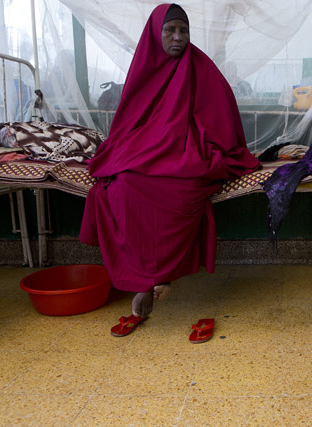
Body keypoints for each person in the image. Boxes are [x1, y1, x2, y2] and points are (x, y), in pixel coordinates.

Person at [80, 4, 260, 332]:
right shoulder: (144, 68)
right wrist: (142, 147)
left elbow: (221, 124)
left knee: (182, 185)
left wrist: (187, 142)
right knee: (120, 183)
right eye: (170, 30)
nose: (178, 37)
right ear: (155, 33)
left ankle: (154, 278)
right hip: (148, 150)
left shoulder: (201, 68)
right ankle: (147, 279)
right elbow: (128, 125)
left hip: (191, 150)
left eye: (183, 30)